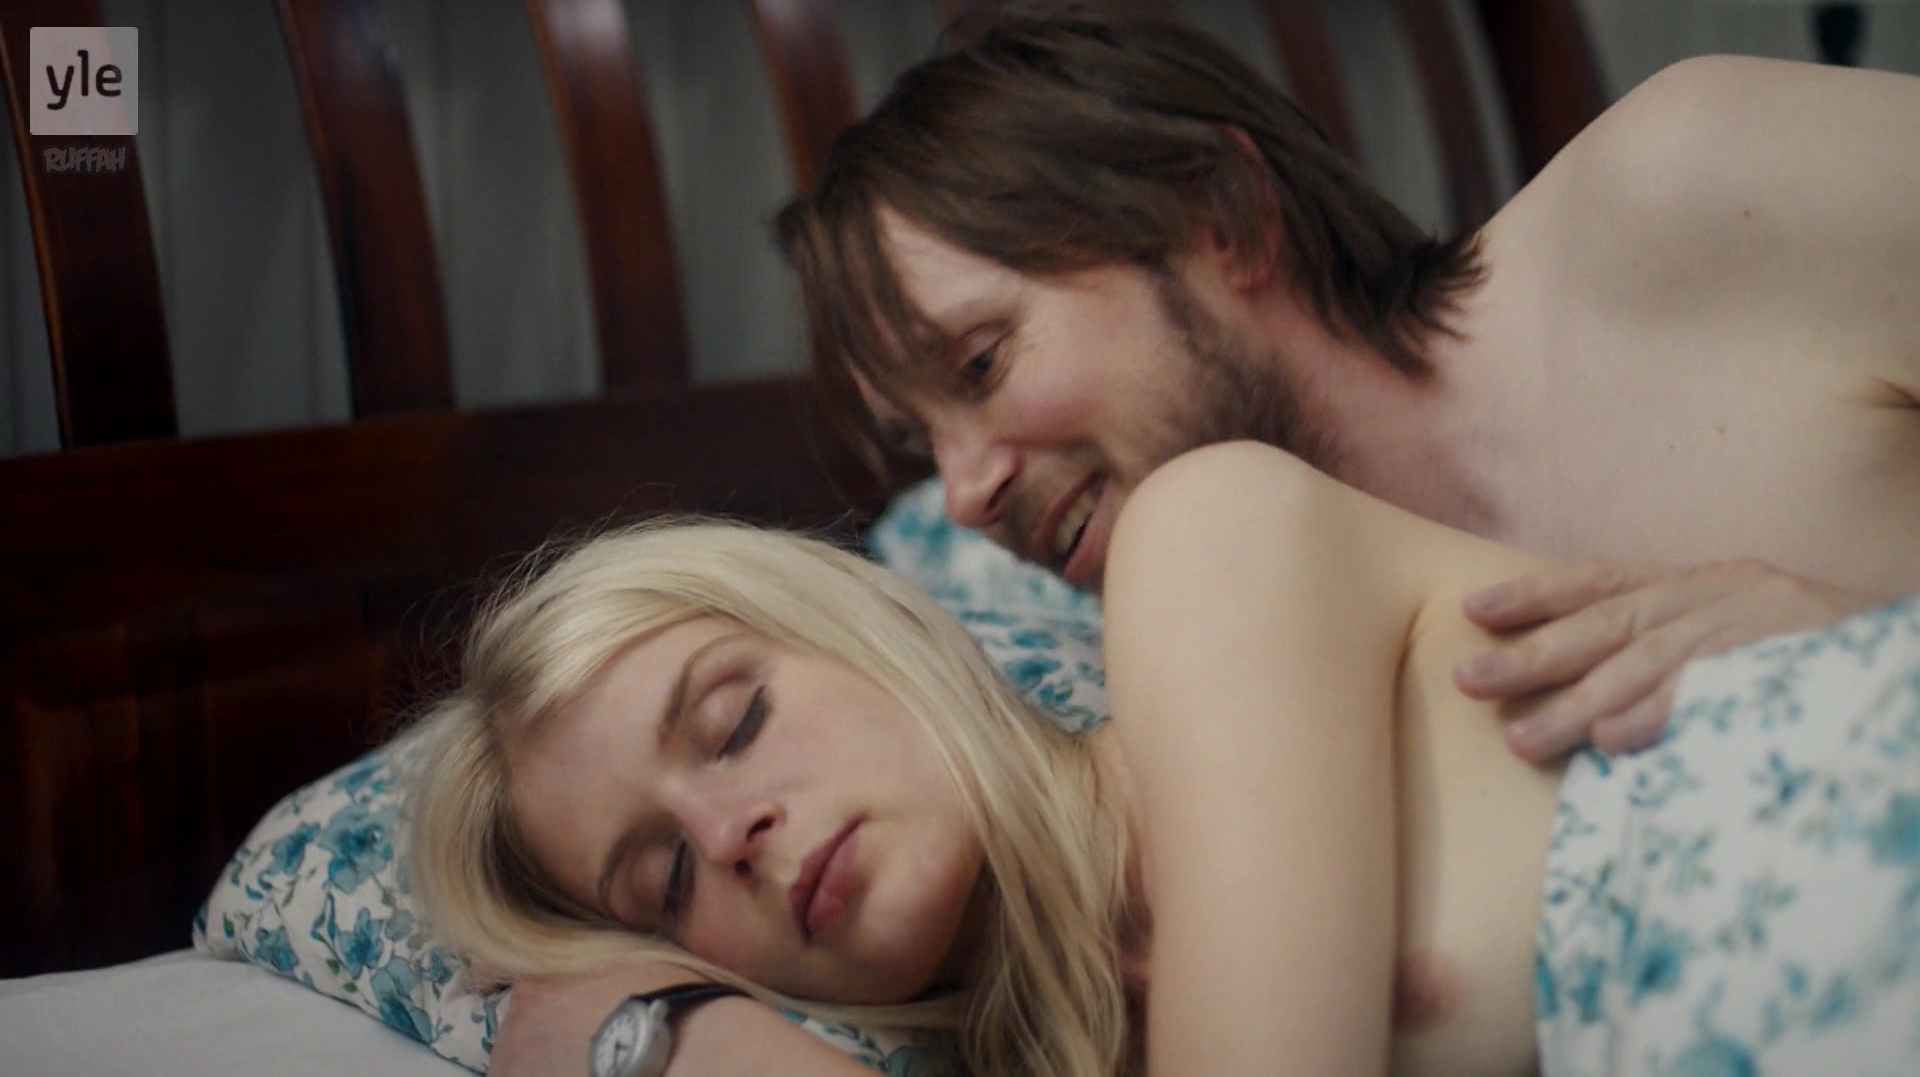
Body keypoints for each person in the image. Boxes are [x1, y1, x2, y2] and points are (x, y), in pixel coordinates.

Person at [407, 443, 1920, 1076]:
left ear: (875, 630)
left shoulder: (1201, 548)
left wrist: (699, 1056)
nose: (730, 831)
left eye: (734, 719)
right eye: (663, 881)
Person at [774, 0, 1920, 763]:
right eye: (921, 444)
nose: (963, 494)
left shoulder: (1694, 187)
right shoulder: (1232, 726)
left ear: (1224, 216)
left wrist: (1859, 638)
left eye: (980, 362)